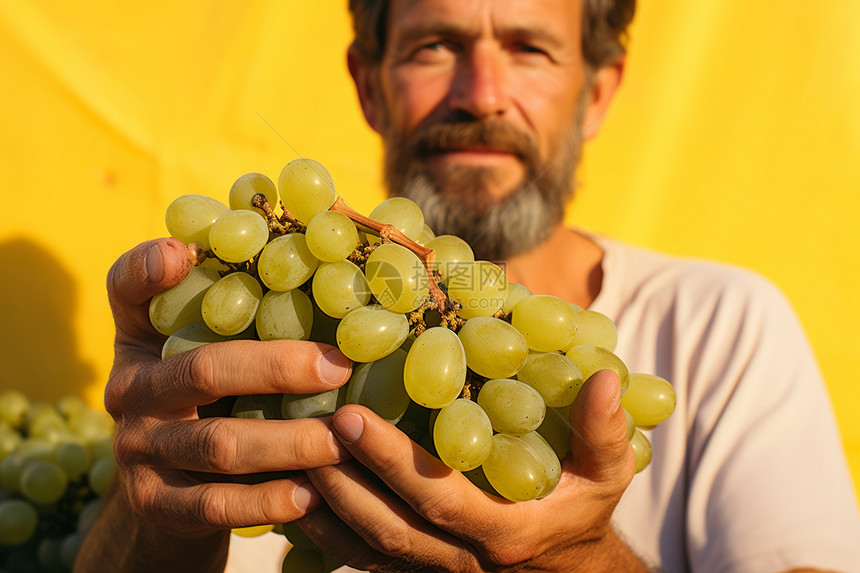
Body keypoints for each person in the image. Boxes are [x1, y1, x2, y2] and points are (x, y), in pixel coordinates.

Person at [75, 0, 860, 572]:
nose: (481, 92)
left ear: (599, 92)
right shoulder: (266, 361)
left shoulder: (722, 324)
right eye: (436, 45)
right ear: (369, 85)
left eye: (529, 48)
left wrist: (579, 563)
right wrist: (155, 513)